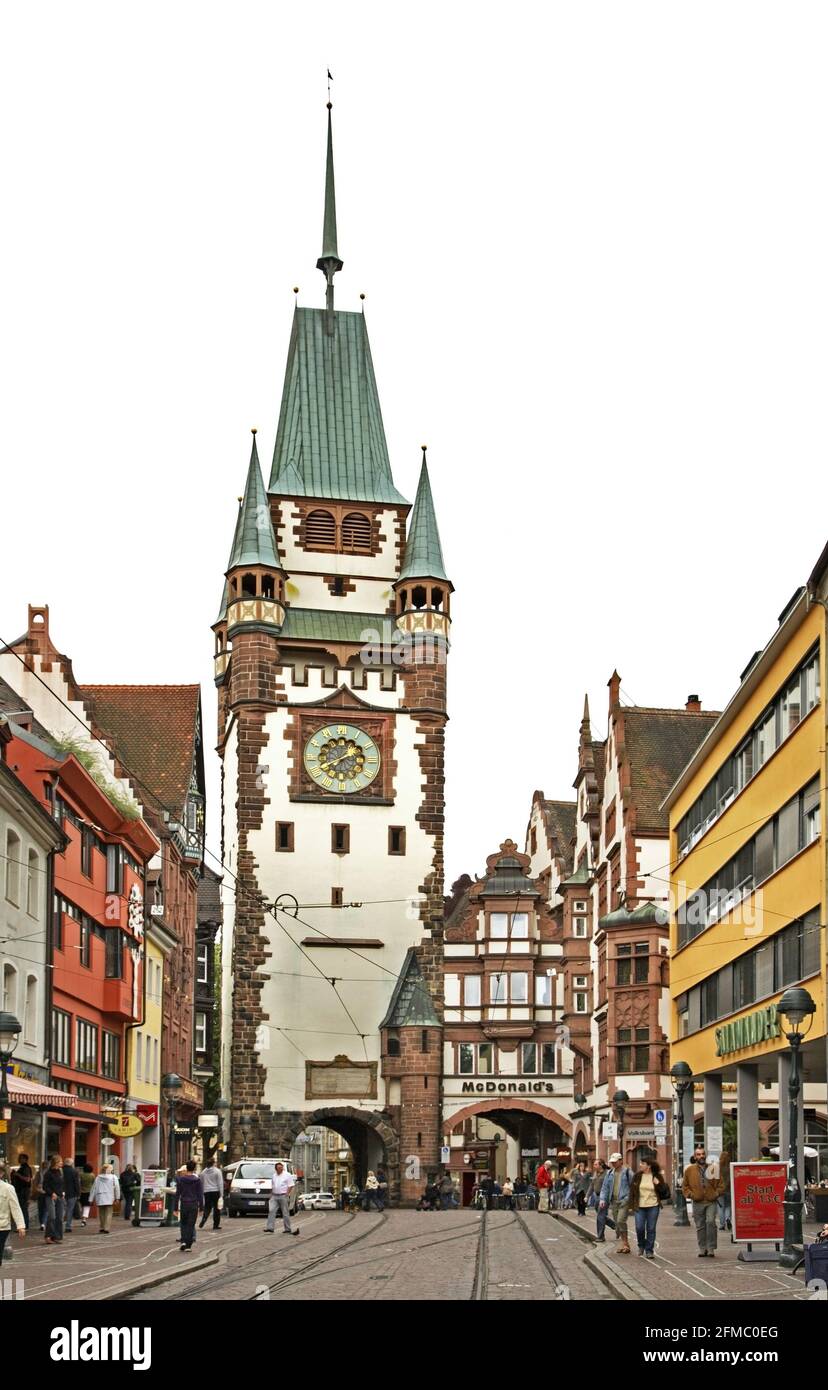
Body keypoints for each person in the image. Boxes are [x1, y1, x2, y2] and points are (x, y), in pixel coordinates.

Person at [682, 1143, 724, 1258]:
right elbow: (684, 1186)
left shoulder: (713, 1168)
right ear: (695, 1157)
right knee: (700, 1225)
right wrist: (691, 1195)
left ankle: (711, 1248)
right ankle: (702, 1248)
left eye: (703, 1154)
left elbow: (721, 1185)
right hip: (697, 1201)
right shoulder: (689, 1170)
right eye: (698, 1154)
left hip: (711, 1201)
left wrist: (716, 1194)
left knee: (710, 1222)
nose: (701, 1156)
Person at [628, 1157, 670, 1259]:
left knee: (651, 1228)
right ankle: (641, 1245)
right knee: (639, 1228)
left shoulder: (657, 1176)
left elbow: (664, 1191)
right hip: (640, 1206)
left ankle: (649, 1250)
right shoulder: (637, 1176)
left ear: (649, 1165)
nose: (640, 1165)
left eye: (642, 1163)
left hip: (653, 1206)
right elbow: (632, 1192)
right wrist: (630, 1206)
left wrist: (658, 1183)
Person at [599, 1153, 634, 1254]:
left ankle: (626, 1243)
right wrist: (602, 1199)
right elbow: (605, 1188)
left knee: (620, 1220)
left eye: (615, 1161)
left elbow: (634, 1186)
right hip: (613, 1202)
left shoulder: (628, 1172)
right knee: (617, 1224)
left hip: (624, 1201)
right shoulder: (610, 1173)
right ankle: (624, 1244)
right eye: (612, 1162)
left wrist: (629, 1198)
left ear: (621, 1161)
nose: (613, 1163)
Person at [174, 1160, 204, 1250]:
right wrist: (201, 1208)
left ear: (186, 1168)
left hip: (184, 1203)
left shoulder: (181, 1180)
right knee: (191, 1224)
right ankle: (188, 1245)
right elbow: (200, 1195)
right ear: (194, 1169)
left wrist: (175, 1208)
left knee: (183, 1223)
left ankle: (183, 1241)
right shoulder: (197, 1180)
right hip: (193, 1204)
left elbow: (177, 1194)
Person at [0, 1164, 26, 1263]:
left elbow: (15, 1207)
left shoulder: (8, 1188)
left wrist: (20, 1226)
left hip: (2, 1227)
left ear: (1, 1174)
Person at [265, 1161, 299, 1236]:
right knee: (271, 1211)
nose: (280, 1169)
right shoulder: (274, 1175)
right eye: (278, 1168)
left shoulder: (287, 1175)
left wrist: (287, 1193)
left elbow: (291, 1185)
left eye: (281, 1168)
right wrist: (271, 1195)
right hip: (274, 1196)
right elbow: (273, 1185)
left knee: (285, 1213)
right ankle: (270, 1228)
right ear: (276, 1169)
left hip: (283, 1195)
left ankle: (287, 1229)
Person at [89, 1163, 121, 1234]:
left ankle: (102, 1227)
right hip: (109, 1197)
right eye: (111, 1168)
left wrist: (91, 1199)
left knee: (101, 1213)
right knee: (108, 1213)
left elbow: (93, 1188)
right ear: (109, 1169)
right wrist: (117, 1198)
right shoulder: (113, 1177)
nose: (112, 1169)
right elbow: (117, 1188)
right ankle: (106, 1228)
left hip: (100, 1197)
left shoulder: (98, 1177)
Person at [43, 1155, 66, 1244]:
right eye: (60, 1161)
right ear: (55, 1162)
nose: (62, 1163)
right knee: (52, 1216)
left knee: (60, 1217)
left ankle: (57, 1237)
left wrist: (63, 1192)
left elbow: (62, 1184)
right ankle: (48, 1236)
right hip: (50, 1197)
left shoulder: (60, 1172)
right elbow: (45, 1186)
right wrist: (52, 1193)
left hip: (60, 1197)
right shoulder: (48, 1173)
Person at [200, 1156, 224, 1230]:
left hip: (207, 1191)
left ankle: (204, 1219)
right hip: (215, 1191)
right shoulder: (217, 1171)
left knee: (207, 1207)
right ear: (213, 1163)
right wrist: (221, 1194)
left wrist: (203, 1192)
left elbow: (201, 1182)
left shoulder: (203, 1172)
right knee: (217, 1209)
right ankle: (215, 1225)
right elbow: (220, 1183)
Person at [9, 1154, 32, 1230]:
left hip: (23, 1191)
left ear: (25, 1159)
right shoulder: (22, 1167)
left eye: (21, 1158)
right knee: (22, 1208)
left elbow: (27, 1179)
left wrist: (17, 1175)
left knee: (23, 1208)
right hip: (21, 1190)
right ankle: (24, 1225)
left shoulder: (26, 1168)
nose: (19, 1159)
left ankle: (24, 1225)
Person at [61, 1156, 80, 1234]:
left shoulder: (60, 1170)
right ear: (71, 1163)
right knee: (70, 1209)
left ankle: (59, 1226)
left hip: (60, 1193)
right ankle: (68, 1226)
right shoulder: (74, 1171)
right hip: (72, 1193)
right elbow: (77, 1183)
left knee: (61, 1209)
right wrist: (78, 1193)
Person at [591, 1161, 609, 1241]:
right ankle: (615, 1226)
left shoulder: (607, 1174)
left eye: (595, 1164)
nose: (594, 1166)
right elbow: (592, 1185)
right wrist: (587, 1196)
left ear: (601, 1165)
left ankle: (601, 1236)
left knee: (600, 1216)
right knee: (601, 1215)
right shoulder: (595, 1173)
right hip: (596, 1196)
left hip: (604, 1197)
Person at [717, 1147, 732, 1231]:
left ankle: (722, 1225)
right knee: (728, 1206)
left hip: (720, 1191)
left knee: (720, 1207)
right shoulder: (730, 1167)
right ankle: (728, 1218)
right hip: (729, 1190)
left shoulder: (717, 1168)